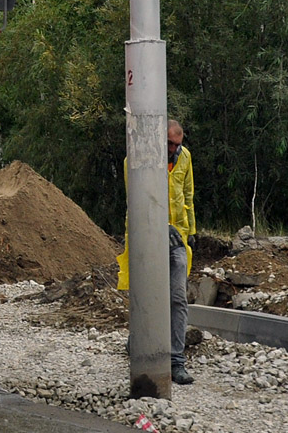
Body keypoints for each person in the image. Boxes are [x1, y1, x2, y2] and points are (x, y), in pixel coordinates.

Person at [116, 118, 197, 386]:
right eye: (170, 144)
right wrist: (161, 227)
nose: (174, 149)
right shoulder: (137, 159)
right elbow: (137, 199)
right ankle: (139, 342)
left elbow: (187, 195)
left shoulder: (185, 158)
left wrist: (191, 231)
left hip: (178, 240)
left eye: (177, 144)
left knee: (177, 298)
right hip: (147, 238)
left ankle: (176, 361)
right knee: (147, 294)